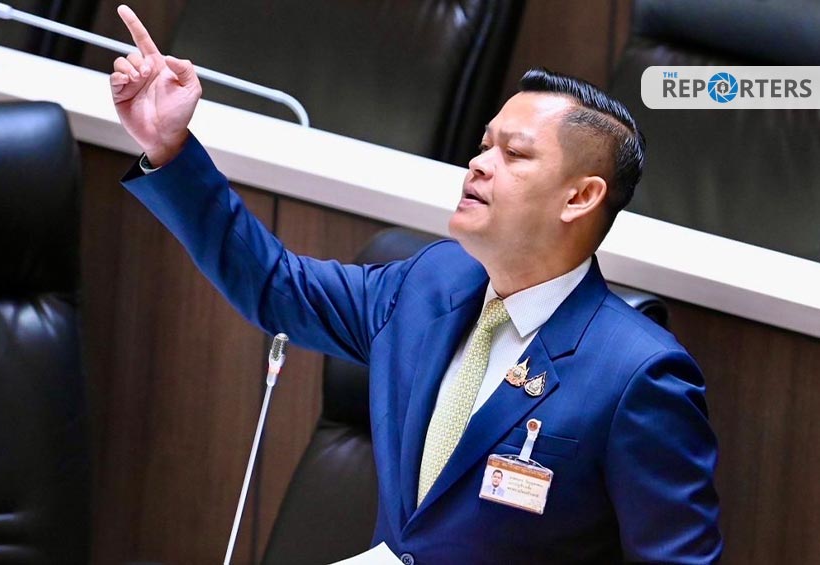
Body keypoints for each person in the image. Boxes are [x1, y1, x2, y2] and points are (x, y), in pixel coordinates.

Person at [109, 5, 722, 563]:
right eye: (484, 145)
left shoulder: (638, 374)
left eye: (514, 154)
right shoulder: (430, 283)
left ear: (580, 197)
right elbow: (275, 286)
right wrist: (171, 148)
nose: (478, 163)